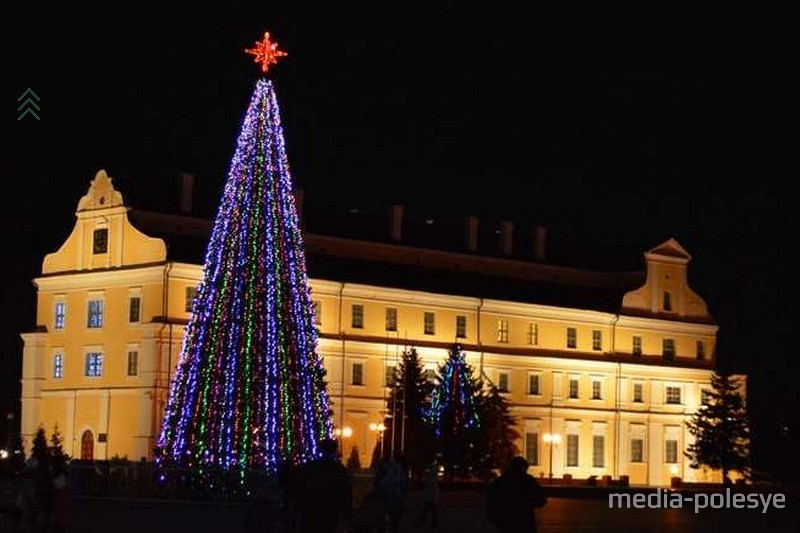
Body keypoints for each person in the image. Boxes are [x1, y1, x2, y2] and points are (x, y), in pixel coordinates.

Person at [292, 439, 353, 533]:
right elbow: (345, 492)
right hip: (329, 510)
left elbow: (302, 488)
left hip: (312, 510)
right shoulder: (338, 469)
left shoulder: (311, 467)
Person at [486, 456, 547, 533]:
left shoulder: (500, 481)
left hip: (506, 522)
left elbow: (492, 501)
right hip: (525, 522)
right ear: (524, 468)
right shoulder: (528, 480)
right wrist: (527, 503)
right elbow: (541, 500)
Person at [380, 458, 407, 533]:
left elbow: (384, 482)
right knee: (393, 519)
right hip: (393, 500)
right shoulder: (396, 471)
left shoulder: (393, 471)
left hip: (392, 500)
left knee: (393, 518)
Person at [415, 460, 439, 529]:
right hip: (431, 494)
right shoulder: (431, 471)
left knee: (429, 509)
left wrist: (424, 480)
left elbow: (429, 481)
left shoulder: (430, 472)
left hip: (430, 494)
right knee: (430, 509)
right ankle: (429, 523)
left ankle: (425, 522)